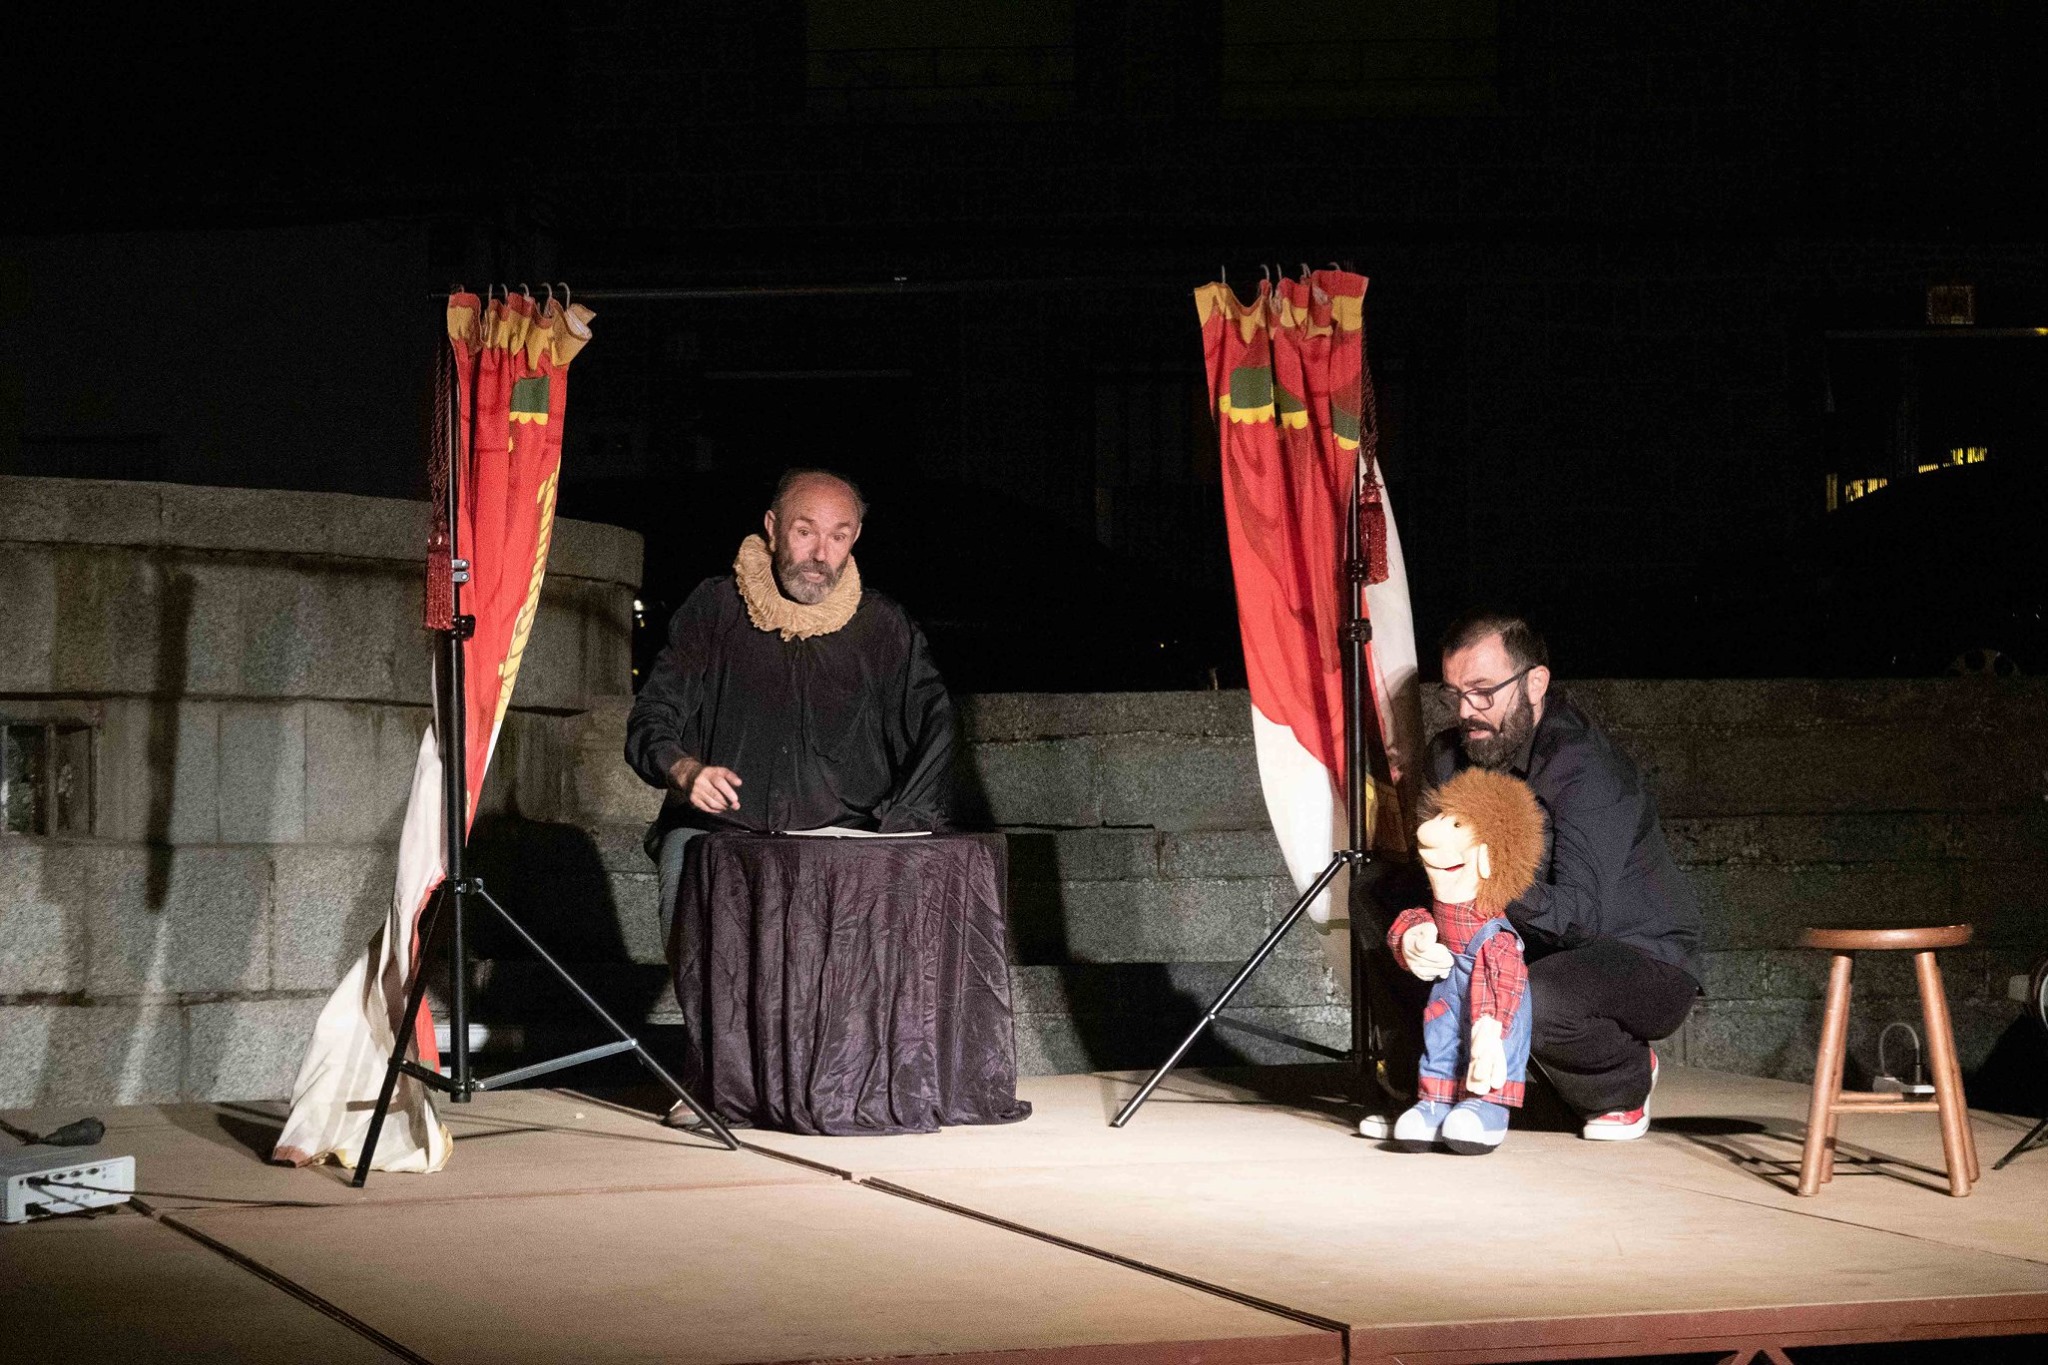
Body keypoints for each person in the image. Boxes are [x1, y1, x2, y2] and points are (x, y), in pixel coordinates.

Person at [1392, 610, 1703, 1141]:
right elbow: (1434, 878)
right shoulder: (1447, 756)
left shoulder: (1585, 768)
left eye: (1483, 692)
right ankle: (1434, 1088)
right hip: (1523, 939)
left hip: (1636, 955)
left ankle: (1622, 1079)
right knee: (1374, 891)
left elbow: (1581, 918)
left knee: (1533, 996)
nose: (1466, 711)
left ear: (1535, 683)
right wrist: (1415, 928)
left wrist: (1488, 881)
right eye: (1454, 694)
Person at [624, 469, 957, 941]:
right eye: (804, 532)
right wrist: (684, 770)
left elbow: (935, 724)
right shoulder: (715, 607)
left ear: (855, 538)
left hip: (838, 841)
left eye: (838, 537)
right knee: (705, 960)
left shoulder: (884, 628)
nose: (820, 555)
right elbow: (651, 716)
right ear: (772, 528)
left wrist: (902, 824)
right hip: (715, 834)